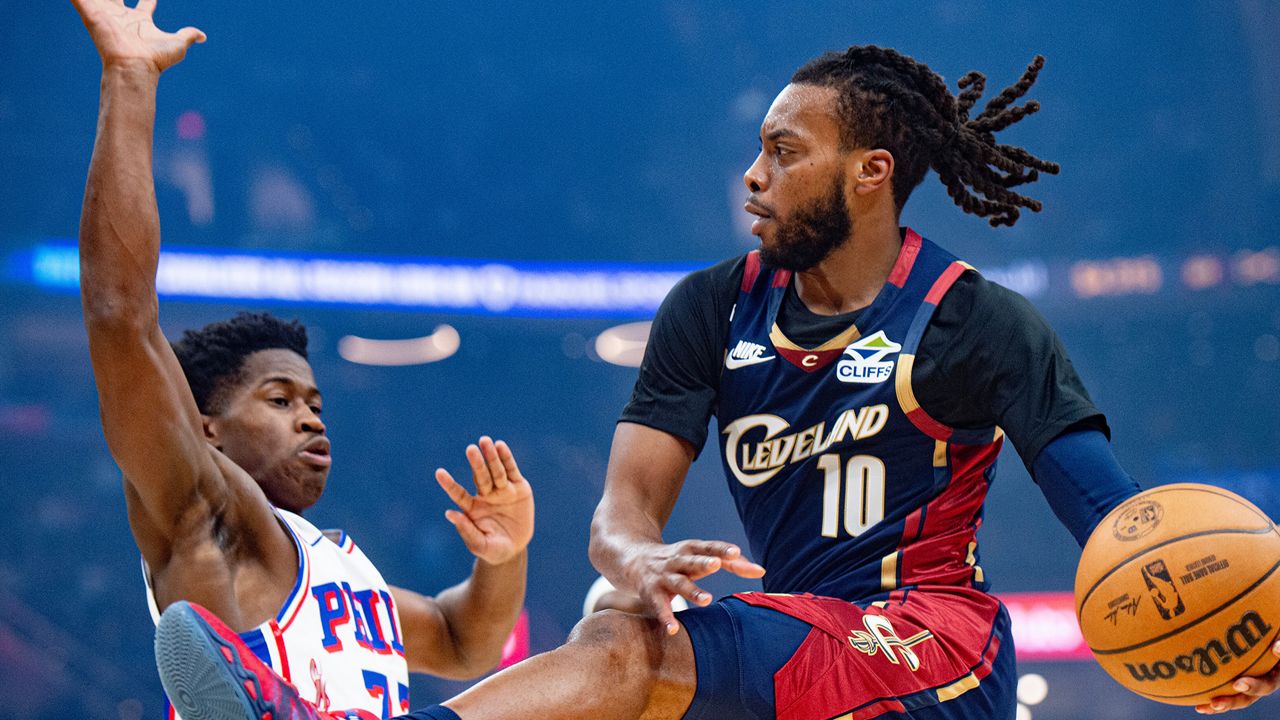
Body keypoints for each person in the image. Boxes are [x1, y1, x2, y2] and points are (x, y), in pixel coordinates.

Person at [151, 25, 1280, 720]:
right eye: (753, 150)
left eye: (784, 153)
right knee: (615, 599)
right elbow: (620, 513)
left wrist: (1222, 622)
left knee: (631, 642)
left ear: (871, 173)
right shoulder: (709, 308)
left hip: (924, 648)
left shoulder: (977, 323)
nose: (752, 177)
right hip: (797, 639)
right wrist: (640, 557)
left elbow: (1114, 520)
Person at [69, 1, 535, 717]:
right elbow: (121, 317)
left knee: (610, 645)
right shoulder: (201, 509)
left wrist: (501, 556)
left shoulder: (339, 563)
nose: (312, 422)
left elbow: (463, 639)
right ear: (207, 427)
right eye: (280, 401)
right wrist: (129, 79)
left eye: (315, 405)